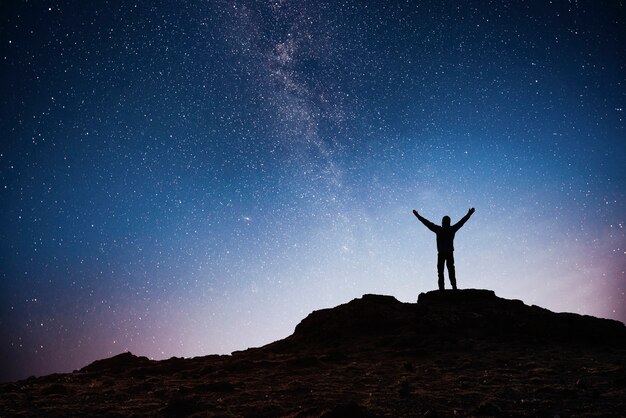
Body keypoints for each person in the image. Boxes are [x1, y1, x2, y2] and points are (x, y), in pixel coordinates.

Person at [412, 208, 475, 291]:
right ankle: (448, 288)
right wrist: (417, 215)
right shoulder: (446, 229)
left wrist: (417, 215)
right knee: (444, 272)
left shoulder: (442, 229)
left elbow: (461, 222)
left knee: (447, 272)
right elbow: (427, 223)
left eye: (445, 222)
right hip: (444, 253)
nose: (444, 223)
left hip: (446, 253)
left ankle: (450, 288)